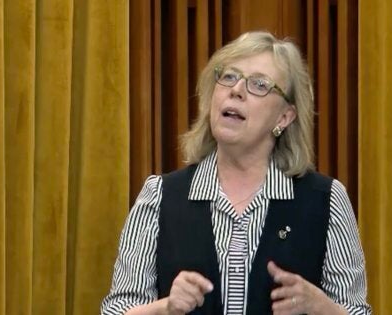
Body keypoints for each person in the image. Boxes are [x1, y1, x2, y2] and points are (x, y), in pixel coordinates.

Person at [102, 31, 372, 315]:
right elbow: (117, 310)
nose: (236, 90)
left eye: (259, 84)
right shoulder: (160, 196)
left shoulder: (326, 200)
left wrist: (320, 306)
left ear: (284, 117)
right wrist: (165, 307)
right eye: (229, 77)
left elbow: (356, 311)